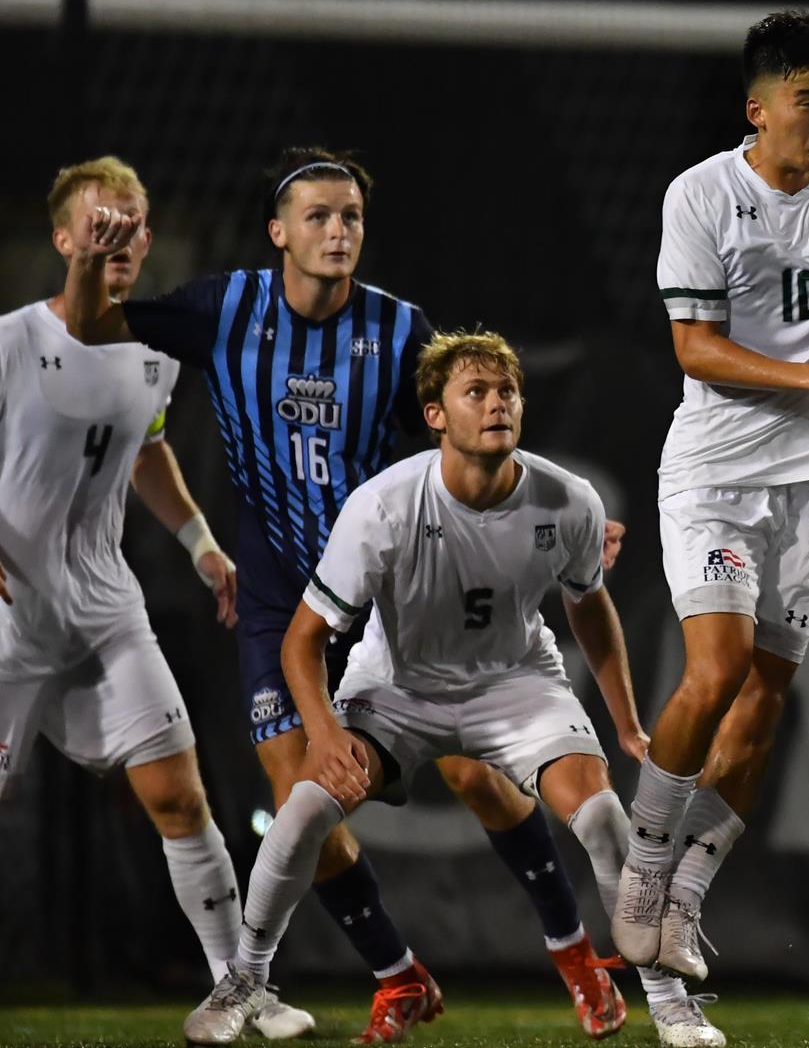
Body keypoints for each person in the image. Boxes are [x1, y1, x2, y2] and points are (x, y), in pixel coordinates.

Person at [63, 153, 622, 1041]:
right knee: (302, 790)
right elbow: (91, 322)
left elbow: (474, 431)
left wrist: (570, 520)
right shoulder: (224, 309)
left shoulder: (400, 332)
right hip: (281, 590)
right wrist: (92, 261)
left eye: (352, 216)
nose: (338, 231)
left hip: (390, 587)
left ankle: (576, 954)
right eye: (318, 216)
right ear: (277, 231)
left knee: (478, 772)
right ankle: (397, 974)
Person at [179, 331, 687, 1044]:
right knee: (300, 811)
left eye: (506, 390)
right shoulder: (384, 506)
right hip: (399, 689)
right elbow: (302, 638)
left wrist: (627, 722)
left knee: (604, 818)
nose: (496, 403)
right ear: (436, 415)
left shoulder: (567, 500)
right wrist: (324, 736)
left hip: (515, 683)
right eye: (475, 392)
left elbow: (591, 609)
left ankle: (669, 1002)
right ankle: (244, 980)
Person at [611, 13, 809, 1040]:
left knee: (765, 700)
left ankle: (684, 900)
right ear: (758, 109)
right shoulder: (701, 194)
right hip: (715, 473)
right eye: (807, 101)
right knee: (715, 671)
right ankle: (646, 865)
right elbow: (695, 348)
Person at [0, 158, 312, 1039]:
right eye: (100, 226)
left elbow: (145, 451)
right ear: (63, 240)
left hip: (106, 608)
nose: (119, 241)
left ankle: (236, 985)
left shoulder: (152, 353)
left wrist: (203, 544)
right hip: (11, 613)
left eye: (131, 226)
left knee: (181, 799)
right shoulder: (14, 341)